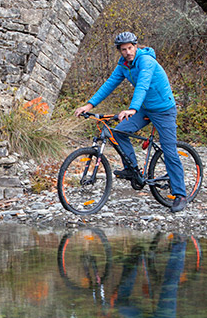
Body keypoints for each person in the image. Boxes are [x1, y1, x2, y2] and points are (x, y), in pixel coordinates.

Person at [73, 31, 188, 213]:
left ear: (136, 46)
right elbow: (109, 85)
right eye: (123, 49)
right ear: (119, 51)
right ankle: (131, 169)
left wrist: (132, 108)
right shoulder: (124, 66)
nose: (127, 52)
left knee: (169, 149)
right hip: (144, 108)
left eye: (130, 48)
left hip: (163, 110)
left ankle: (180, 194)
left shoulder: (146, 61)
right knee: (118, 133)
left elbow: (142, 84)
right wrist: (89, 105)